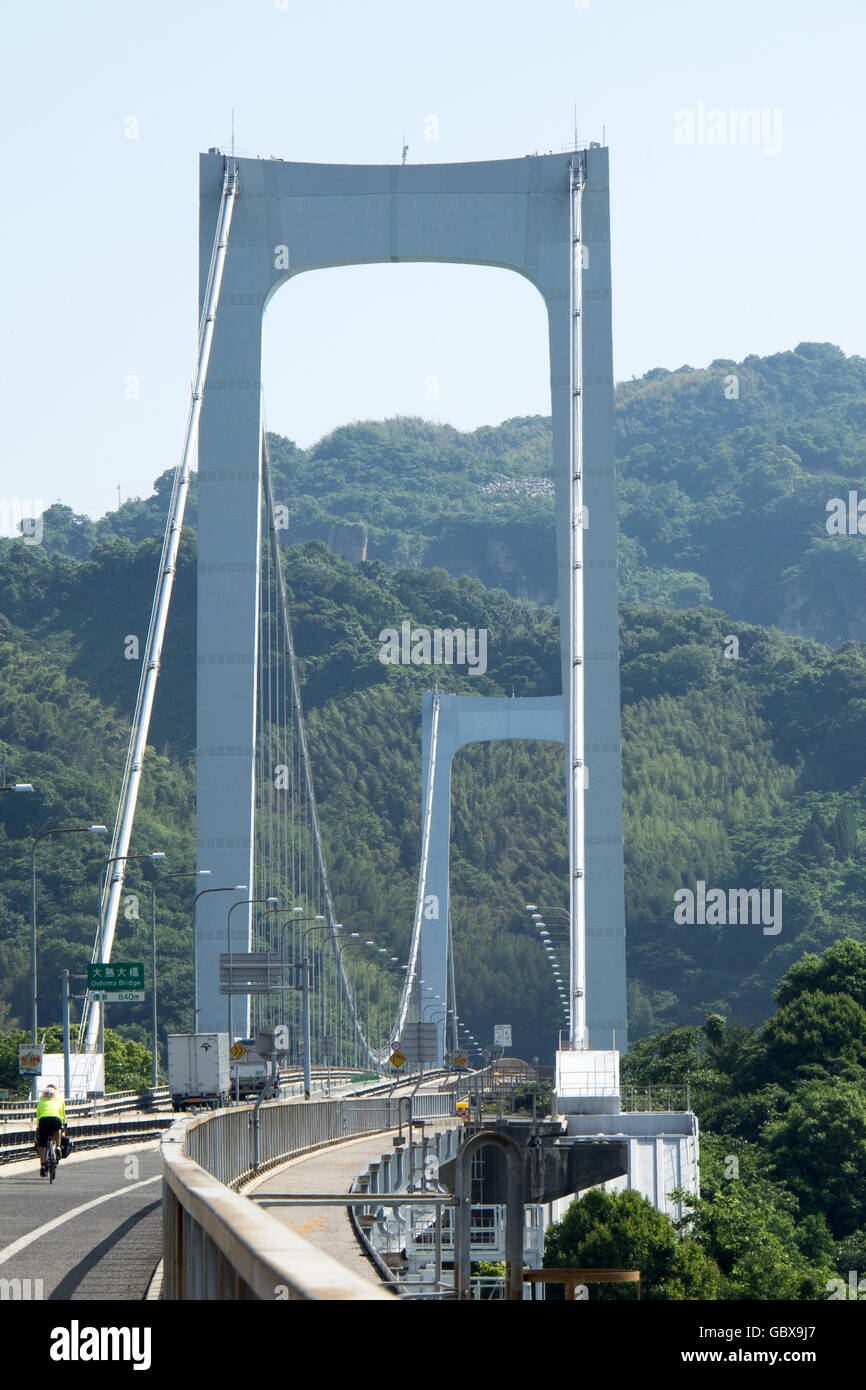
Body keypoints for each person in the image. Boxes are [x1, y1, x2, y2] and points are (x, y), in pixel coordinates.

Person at [35, 1084, 66, 1177]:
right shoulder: (57, 1102)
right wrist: (63, 1125)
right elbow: (62, 1115)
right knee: (58, 1129)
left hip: (43, 1122)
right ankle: (58, 1147)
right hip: (55, 1120)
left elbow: (38, 1117)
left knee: (42, 1144)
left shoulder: (40, 1103)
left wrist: (38, 1128)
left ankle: (43, 1164)